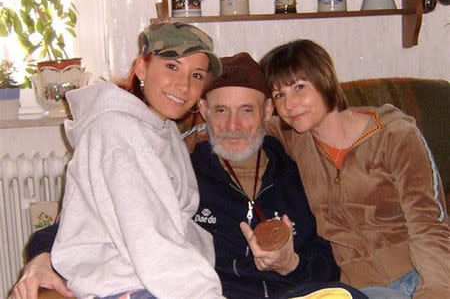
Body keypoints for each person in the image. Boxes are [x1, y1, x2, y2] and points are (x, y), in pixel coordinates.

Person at [11, 53, 367, 299]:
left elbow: (325, 261)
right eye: (221, 110)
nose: (233, 125)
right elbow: (84, 217)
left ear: (268, 111)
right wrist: (41, 258)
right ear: (202, 109)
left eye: (247, 110)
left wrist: (291, 263)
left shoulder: (294, 166)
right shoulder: (176, 167)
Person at [15, 22, 225, 299]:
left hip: (150, 277)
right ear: (141, 69)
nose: (184, 85)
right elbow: (149, 239)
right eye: (172, 67)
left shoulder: (164, 130)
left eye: (196, 75)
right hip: (125, 285)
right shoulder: (117, 130)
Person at [260, 39, 450, 298]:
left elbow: (429, 223)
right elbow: (233, 127)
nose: (289, 105)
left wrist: (435, 292)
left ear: (325, 80)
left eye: (299, 87)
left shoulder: (395, 135)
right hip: (355, 288)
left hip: (417, 275)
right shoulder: (295, 137)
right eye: (279, 94)